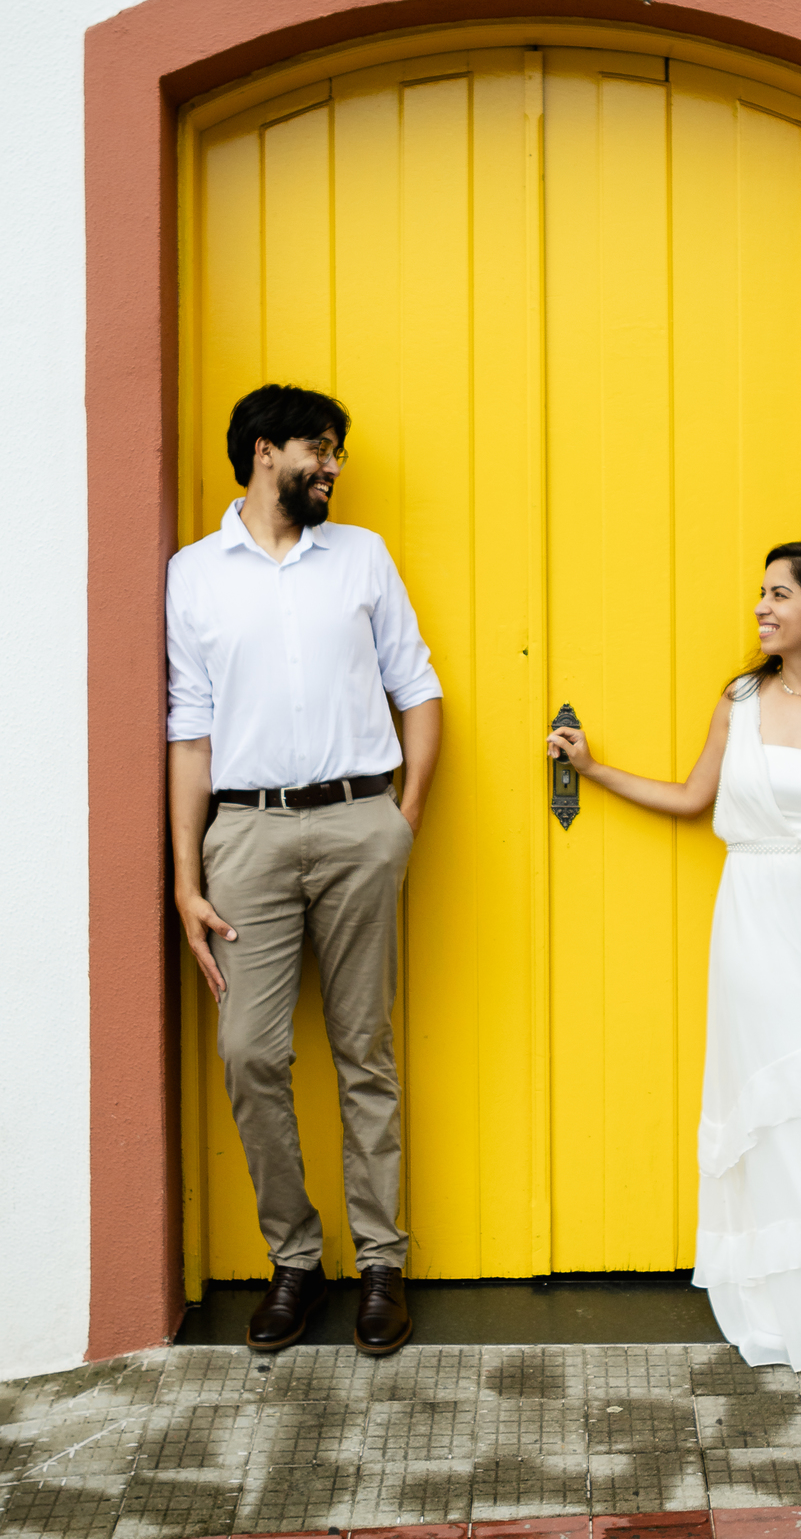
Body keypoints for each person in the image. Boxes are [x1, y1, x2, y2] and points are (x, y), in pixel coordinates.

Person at [546, 541, 801, 1404]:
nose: (761, 608)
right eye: (761, 593)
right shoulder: (740, 699)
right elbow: (694, 798)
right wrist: (593, 771)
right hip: (756, 926)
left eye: (779, 595)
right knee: (795, 1117)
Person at [167, 383, 442, 1356]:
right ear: (264, 451)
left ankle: (380, 1264)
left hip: (360, 823)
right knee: (250, 1052)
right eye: (319, 449)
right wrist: (186, 879)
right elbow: (190, 732)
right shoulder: (194, 575)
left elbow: (419, 690)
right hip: (245, 835)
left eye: (336, 452)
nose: (331, 467)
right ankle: (294, 1260)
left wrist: (401, 821)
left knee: (365, 1050)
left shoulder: (361, 557)